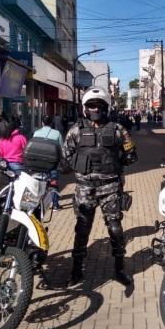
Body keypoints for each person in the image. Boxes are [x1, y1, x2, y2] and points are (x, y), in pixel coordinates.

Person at [62, 87, 138, 287]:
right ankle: (79, 270)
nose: (95, 109)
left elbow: (66, 155)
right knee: (84, 229)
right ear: (86, 108)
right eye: (92, 106)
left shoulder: (112, 130)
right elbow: (131, 156)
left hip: (103, 187)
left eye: (97, 106)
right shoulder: (114, 129)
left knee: (112, 228)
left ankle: (115, 270)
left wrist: (83, 167)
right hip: (93, 187)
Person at [33, 116, 64, 210]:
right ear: (51, 123)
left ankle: (40, 205)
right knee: (53, 183)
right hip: (53, 162)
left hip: (40, 163)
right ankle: (55, 205)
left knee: (41, 184)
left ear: (42, 123)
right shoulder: (57, 133)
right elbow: (61, 148)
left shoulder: (36, 133)